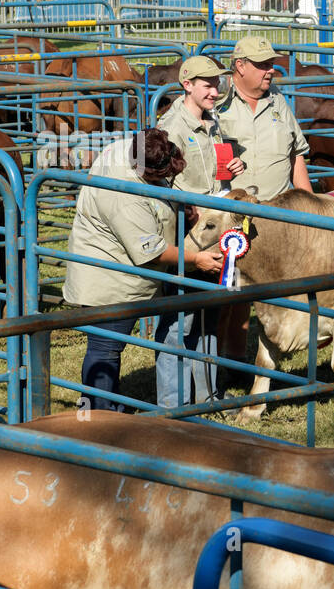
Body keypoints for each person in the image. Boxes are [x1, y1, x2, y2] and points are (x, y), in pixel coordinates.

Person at [63, 129, 224, 411]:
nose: (164, 181)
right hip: (108, 280)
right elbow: (152, 251)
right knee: (105, 349)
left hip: (121, 272)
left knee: (108, 349)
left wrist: (178, 203)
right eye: (158, 177)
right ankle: (95, 418)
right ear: (145, 171)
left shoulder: (132, 147)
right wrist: (197, 259)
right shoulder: (123, 192)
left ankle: (106, 411)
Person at [153, 56, 244, 409]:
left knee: (207, 316)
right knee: (179, 319)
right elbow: (158, 177)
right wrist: (183, 205)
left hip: (211, 232)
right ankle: (173, 405)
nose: (214, 90)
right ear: (186, 85)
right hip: (184, 235)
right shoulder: (171, 127)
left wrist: (235, 166)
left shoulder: (212, 121)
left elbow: (215, 171)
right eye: (207, 84)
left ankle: (206, 395)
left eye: (217, 83)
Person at [215, 35, 312, 360]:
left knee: (285, 287)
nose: (270, 70)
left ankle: (274, 355)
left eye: (272, 63)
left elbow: (297, 154)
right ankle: (232, 362)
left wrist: (308, 206)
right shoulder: (218, 107)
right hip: (234, 217)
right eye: (262, 65)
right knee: (234, 293)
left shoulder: (279, 103)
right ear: (239, 67)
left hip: (279, 214)